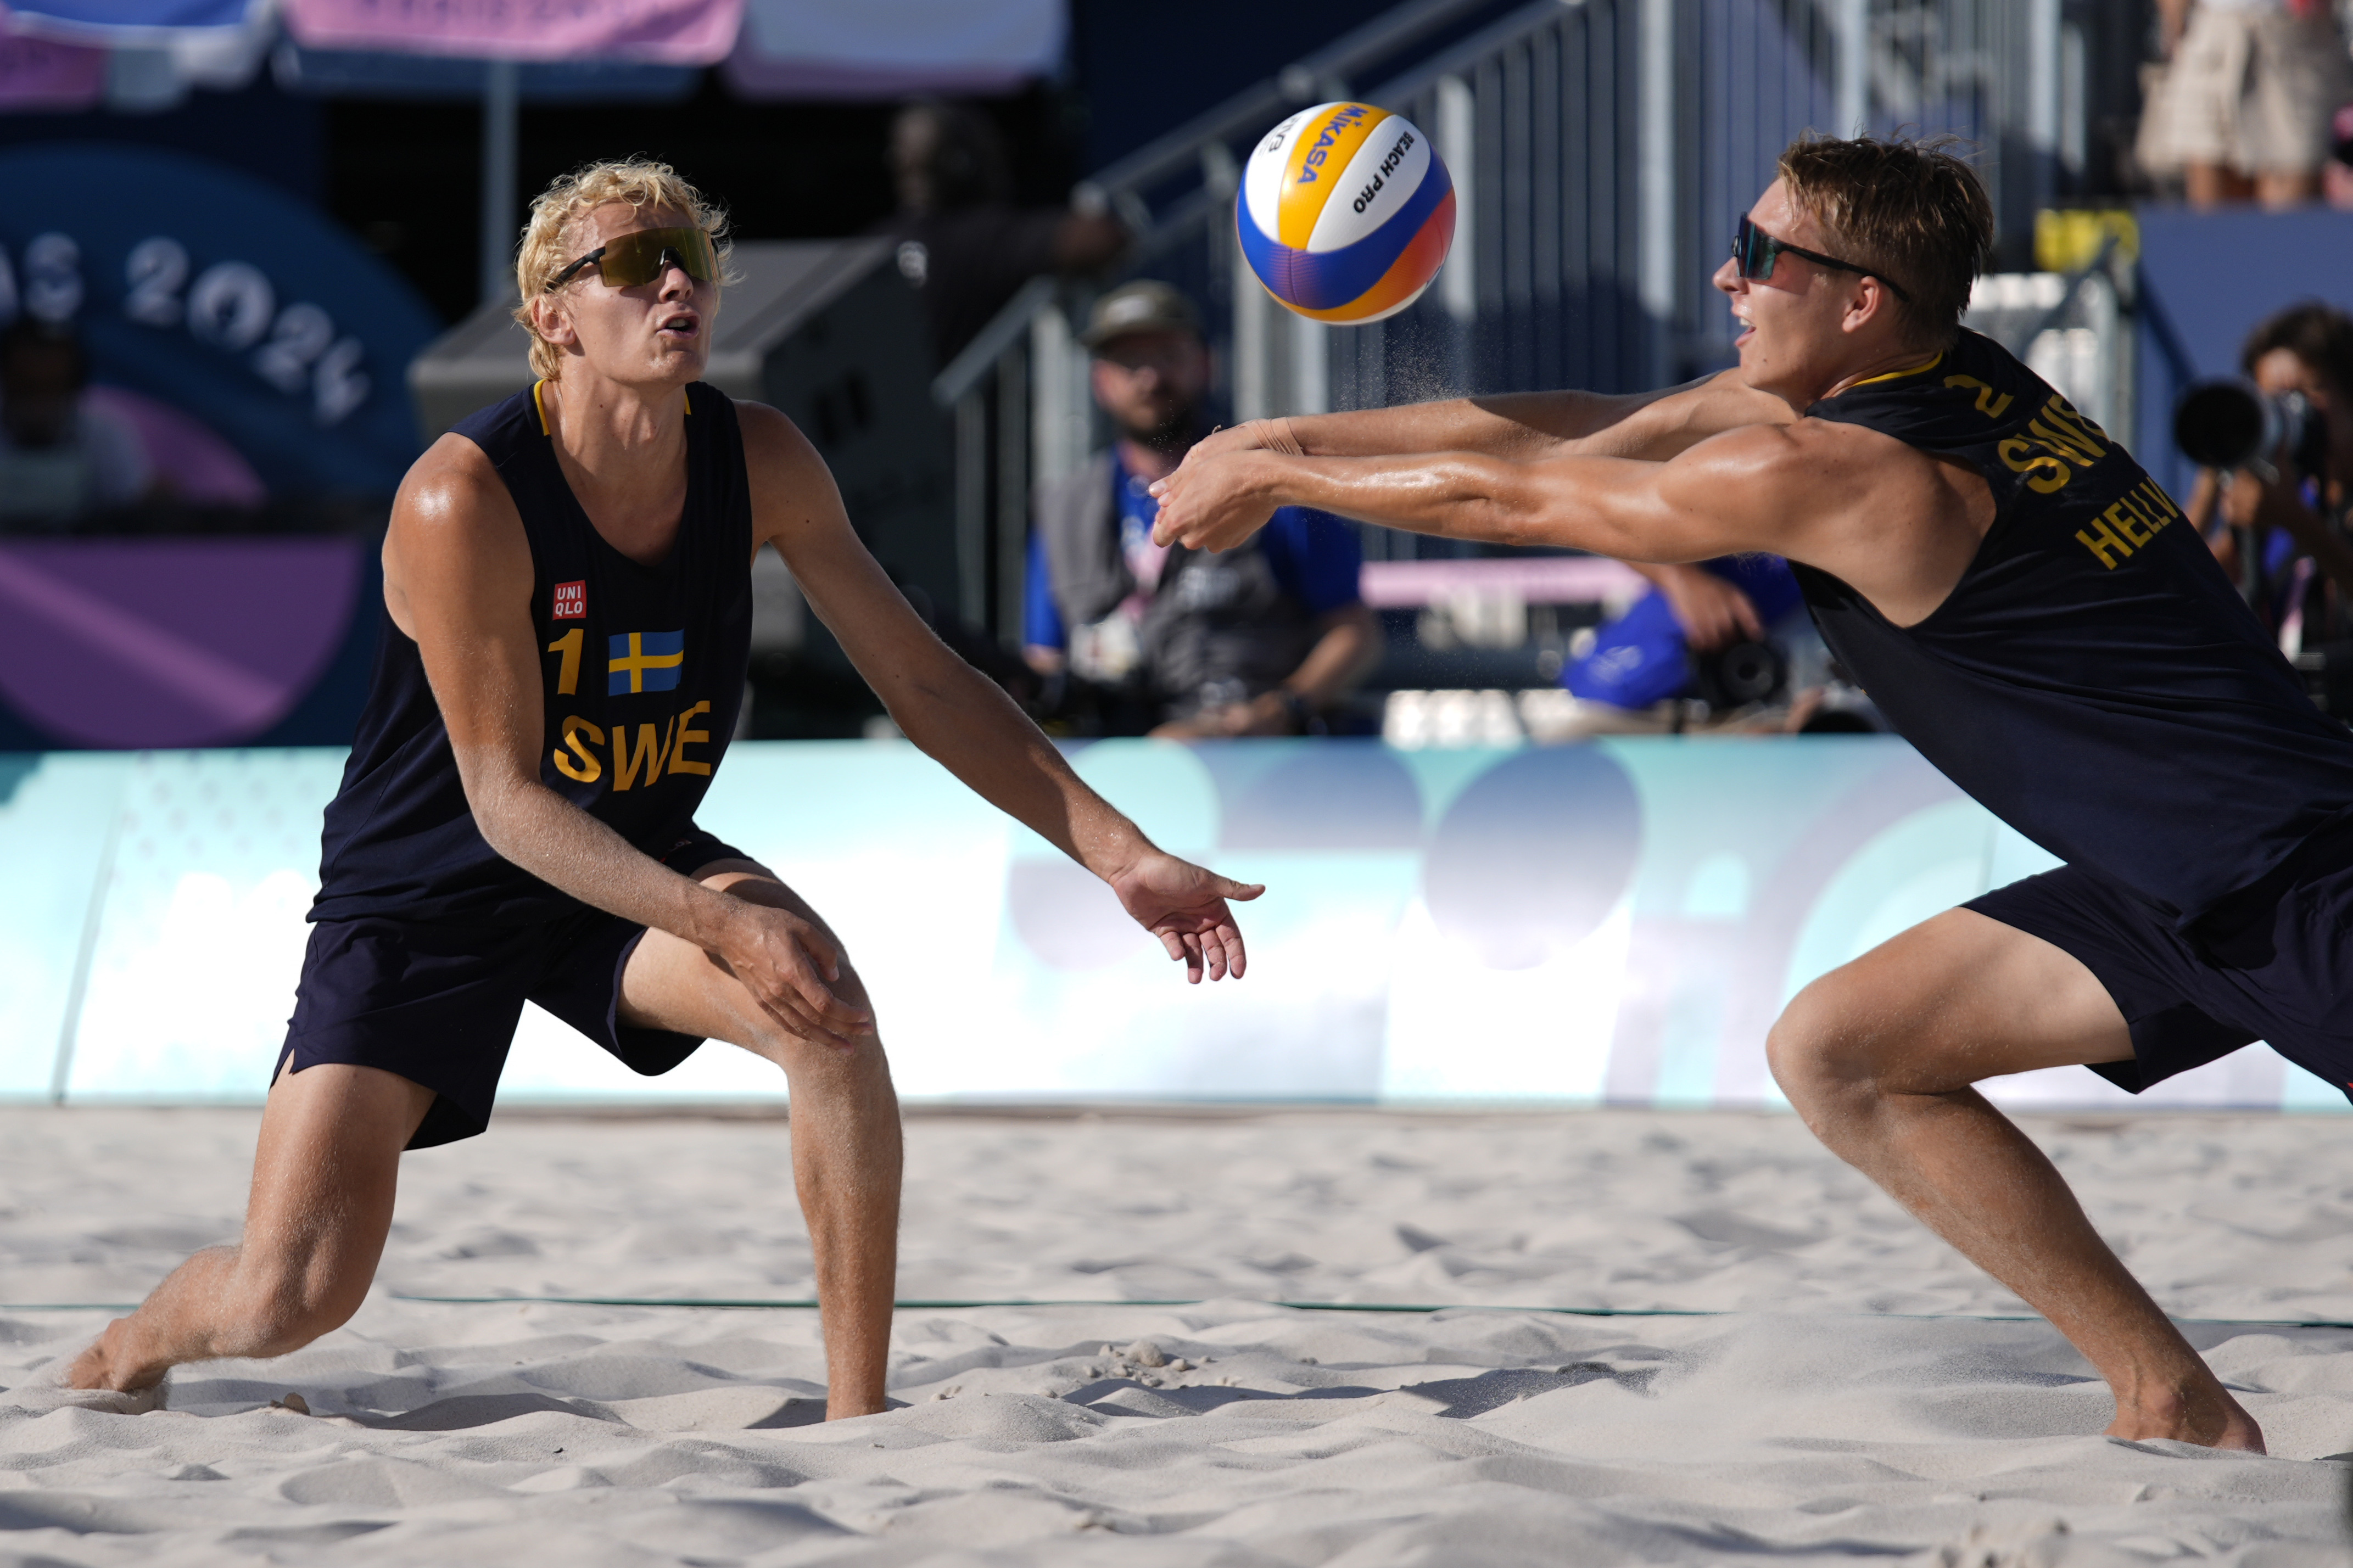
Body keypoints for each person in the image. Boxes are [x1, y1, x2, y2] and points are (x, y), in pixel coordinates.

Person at [1152, 132, 2353, 1453]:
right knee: (1844, 1052)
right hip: (2176, 884)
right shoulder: (1931, 377)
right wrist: (1272, 434)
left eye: (1764, 256)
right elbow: (1585, 424)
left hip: (2303, 890)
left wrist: (1277, 481)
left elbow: (1525, 501)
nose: (1729, 275)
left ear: (1858, 302)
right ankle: (2169, 1396)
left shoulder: (1854, 473)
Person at [63, 159, 1262, 1419]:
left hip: (619, 862)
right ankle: (131, 1347)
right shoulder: (458, 496)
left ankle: (863, 1420)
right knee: (287, 1297)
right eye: (633, 264)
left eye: (690, 255)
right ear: (552, 317)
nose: (677, 279)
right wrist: (721, 920)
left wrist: (1124, 857)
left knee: (825, 1004)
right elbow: (504, 801)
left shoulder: (761, 458)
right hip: (426, 894)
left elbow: (929, 685)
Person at [1024, 281, 1380, 737]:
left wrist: (1276, 713)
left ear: (1205, 365)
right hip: (1112, 761)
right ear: (1100, 382)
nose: (1150, 377)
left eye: (1168, 356)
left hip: (1252, 759)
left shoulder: (1270, 479)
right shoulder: (1061, 506)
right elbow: (1043, 658)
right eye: (1130, 361)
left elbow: (1355, 632)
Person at [879, 100, 1128, 369]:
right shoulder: (986, 237)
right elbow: (1102, 238)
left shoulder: (876, 243)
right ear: (962, 163)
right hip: (960, 408)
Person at [2188, 301, 2353, 643]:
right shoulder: (2275, 512)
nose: (2293, 414)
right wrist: (2215, 471)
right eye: (2273, 403)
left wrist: (2297, 520)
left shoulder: (2290, 511)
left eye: (2308, 393)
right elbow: (2179, 585)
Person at [2147, 0, 2351, 209]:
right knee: (2212, 210)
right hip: (2212, 31)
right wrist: (2176, 25)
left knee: (2291, 211)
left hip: (2298, 35)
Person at [0, 317, 152, 530]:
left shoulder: (105, 435)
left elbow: (134, 510)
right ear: (6, 378)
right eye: (28, 385)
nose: (40, 401)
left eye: (53, 385)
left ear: (75, 385)